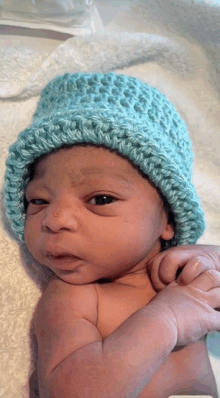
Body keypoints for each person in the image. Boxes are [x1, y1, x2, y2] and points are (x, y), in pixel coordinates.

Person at [4, 72, 220, 397]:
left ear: (168, 220)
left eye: (101, 199)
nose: (55, 218)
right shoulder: (77, 299)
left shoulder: (186, 278)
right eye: (38, 201)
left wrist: (213, 258)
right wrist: (167, 318)